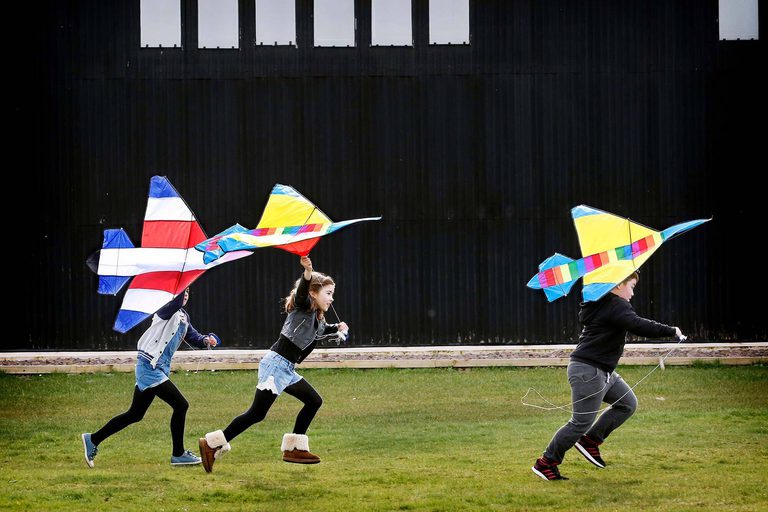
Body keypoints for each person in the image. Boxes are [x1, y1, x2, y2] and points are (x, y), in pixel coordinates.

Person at [199, 256, 348, 472]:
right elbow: (302, 293)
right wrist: (307, 273)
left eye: (332, 294)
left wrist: (338, 328)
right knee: (256, 414)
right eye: (328, 293)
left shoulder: (317, 317)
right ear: (313, 293)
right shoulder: (302, 306)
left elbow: (321, 330)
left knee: (313, 401)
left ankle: (295, 448)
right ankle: (212, 444)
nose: (332, 298)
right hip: (275, 365)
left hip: (286, 369)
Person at [532, 272, 683, 480]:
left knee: (627, 404)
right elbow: (638, 324)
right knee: (579, 423)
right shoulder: (615, 304)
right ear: (617, 285)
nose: (632, 293)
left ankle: (590, 441)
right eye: (631, 286)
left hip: (602, 371)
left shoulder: (601, 302)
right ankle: (546, 463)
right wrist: (671, 330)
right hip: (589, 371)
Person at [81, 288, 219, 468]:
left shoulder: (183, 316)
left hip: (156, 369)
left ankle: (92, 439)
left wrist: (207, 340)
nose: (185, 295)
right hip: (149, 367)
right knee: (181, 405)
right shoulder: (165, 308)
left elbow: (194, 338)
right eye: (182, 291)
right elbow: (175, 301)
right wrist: (180, 284)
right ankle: (178, 454)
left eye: (187, 292)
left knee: (135, 414)